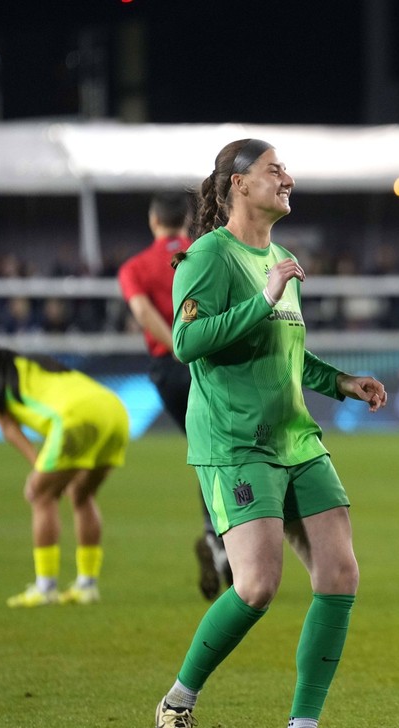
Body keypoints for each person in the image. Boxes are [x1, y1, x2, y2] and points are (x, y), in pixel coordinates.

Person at [151, 138, 387, 728]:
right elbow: (186, 340)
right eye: (273, 169)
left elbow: (285, 353)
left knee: (340, 574)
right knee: (256, 587)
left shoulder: (280, 256)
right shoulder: (207, 256)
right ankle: (177, 703)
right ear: (237, 184)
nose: (287, 177)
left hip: (296, 438)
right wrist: (262, 298)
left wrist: (340, 381)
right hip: (236, 442)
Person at [117, 191, 232, 600]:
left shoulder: (133, 267)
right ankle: (225, 535)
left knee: (205, 447)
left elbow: (144, 315)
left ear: (153, 222)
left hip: (168, 369)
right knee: (225, 448)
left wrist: (178, 348)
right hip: (214, 361)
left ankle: (218, 537)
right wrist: (197, 348)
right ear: (187, 220)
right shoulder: (206, 252)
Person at [0, 334, 129, 607]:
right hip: (115, 410)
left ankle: (45, 588)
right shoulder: (26, 361)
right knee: (81, 494)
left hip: (75, 417)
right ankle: (87, 586)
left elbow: (9, 428)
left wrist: (37, 467)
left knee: (40, 494)